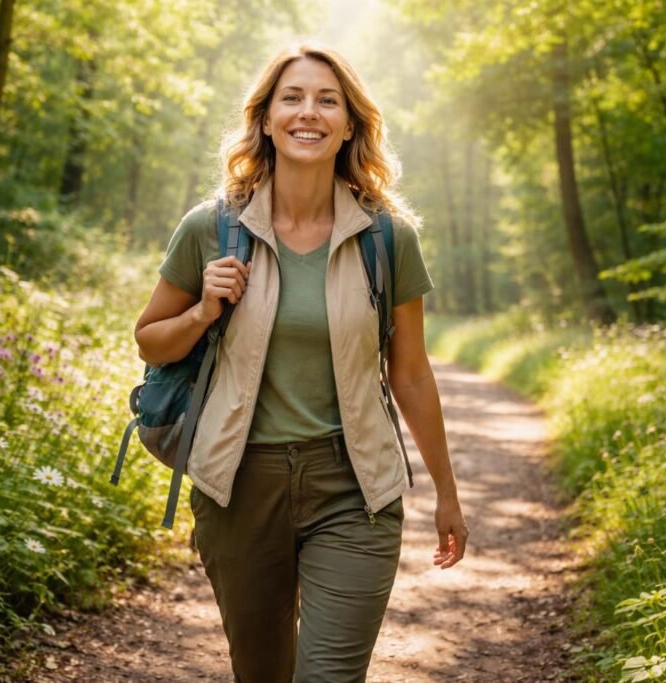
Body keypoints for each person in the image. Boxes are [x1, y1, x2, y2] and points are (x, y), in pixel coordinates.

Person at [134, 43, 468, 683]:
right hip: (239, 486)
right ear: (265, 119)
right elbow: (151, 341)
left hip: (353, 487)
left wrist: (447, 493)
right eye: (292, 98)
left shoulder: (386, 237)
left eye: (327, 100)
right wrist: (204, 310)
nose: (308, 112)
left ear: (349, 125)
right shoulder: (211, 227)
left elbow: (412, 372)